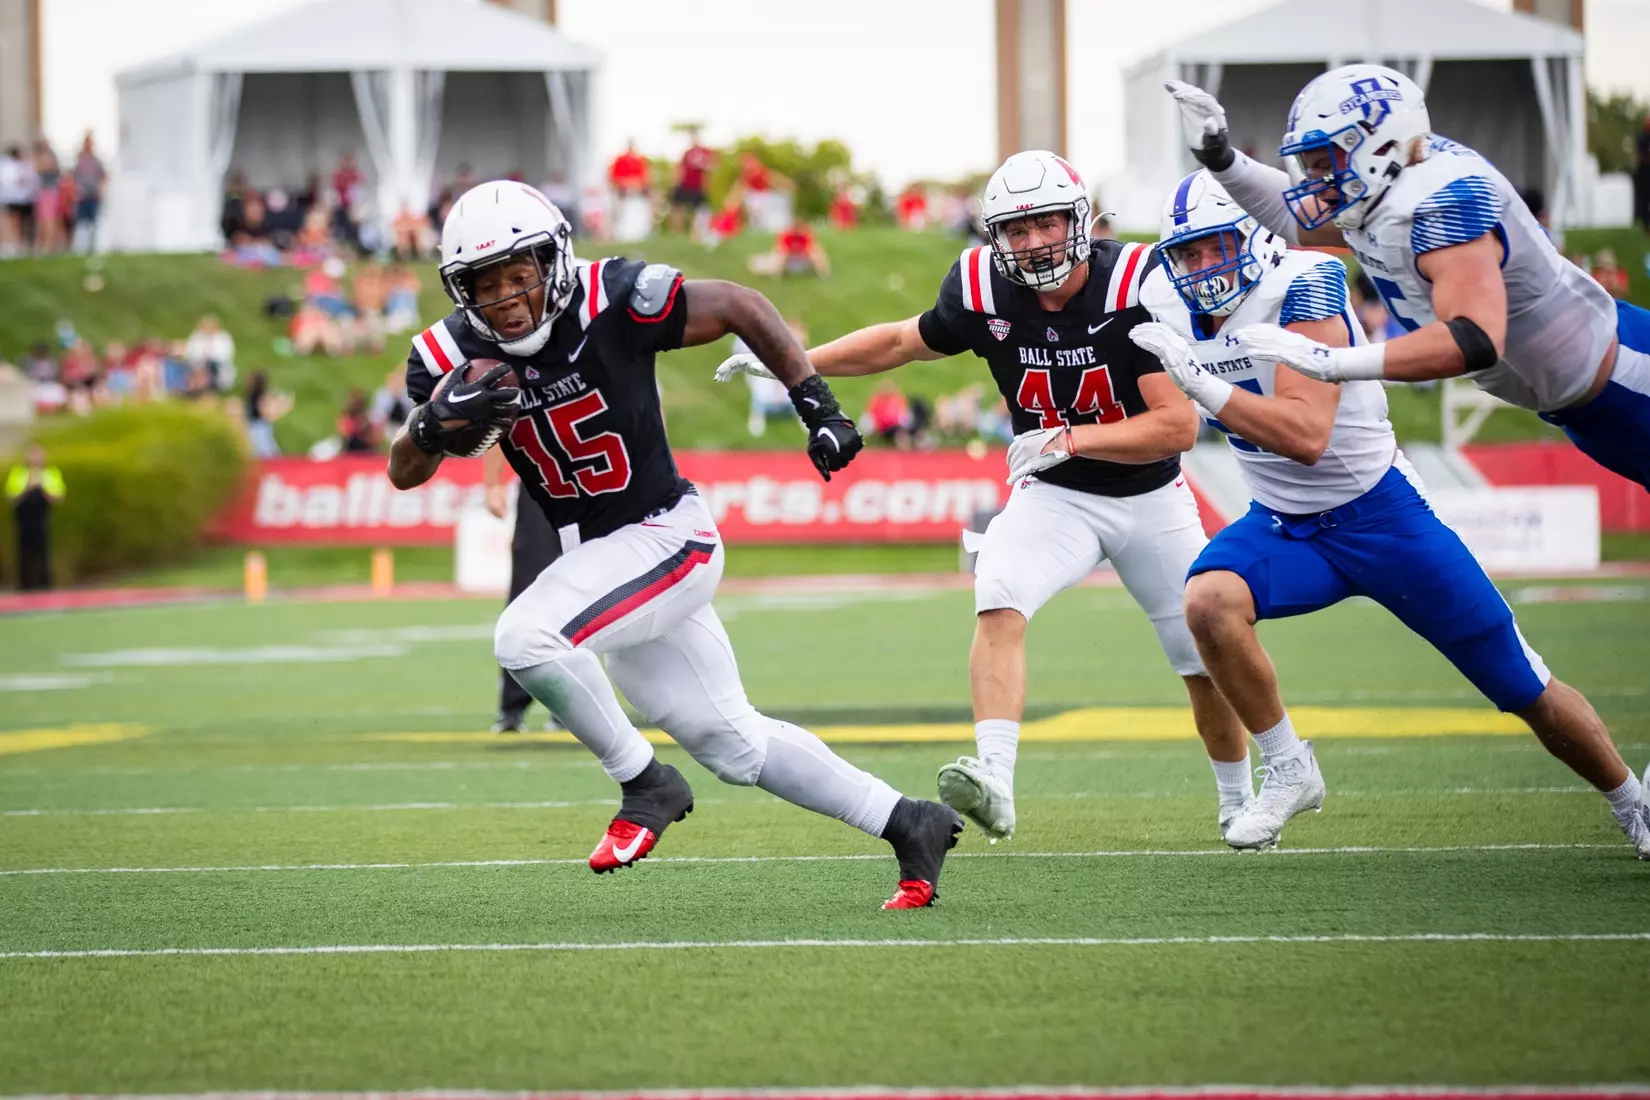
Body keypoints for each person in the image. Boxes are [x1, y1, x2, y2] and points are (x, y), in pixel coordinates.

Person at [387, 180, 962, 908]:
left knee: (524, 636)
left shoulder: (610, 296)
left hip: (664, 534)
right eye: (485, 283)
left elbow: (741, 304)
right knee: (733, 744)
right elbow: (404, 471)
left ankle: (644, 782)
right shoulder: (448, 353)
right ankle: (908, 822)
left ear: (552, 260)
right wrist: (430, 426)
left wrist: (816, 403)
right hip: (600, 562)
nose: (506, 296)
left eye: (519, 272)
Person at [1115, 169, 1650, 856]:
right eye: (1185, 254)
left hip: (1383, 516)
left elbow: (1307, 436)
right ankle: (1289, 767)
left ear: (1253, 236)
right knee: (1207, 603)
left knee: (1522, 684)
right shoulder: (1159, 295)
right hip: (1284, 522)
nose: (1198, 268)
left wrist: (1202, 387)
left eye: (1212, 247)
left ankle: (1630, 800)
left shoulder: (1304, 281)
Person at [717, 151, 1247, 841]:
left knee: (1200, 657)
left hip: (1150, 494)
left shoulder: (1134, 284)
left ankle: (1239, 799)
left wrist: (1070, 439)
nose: (1033, 243)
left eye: (1046, 224)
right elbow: (901, 342)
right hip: (1055, 494)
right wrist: (795, 365)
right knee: (998, 594)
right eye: (1016, 230)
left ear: (1079, 220)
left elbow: (1178, 427)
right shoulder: (983, 288)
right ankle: (995, 780)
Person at [1169, 67, 1650, 492]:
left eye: (1324, 162)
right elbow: (1294, 217)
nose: (1314, 179)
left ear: (1378, 145)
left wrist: (1335, 363)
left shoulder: (1441, 197)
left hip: (1623, 377)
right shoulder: (1385, 189)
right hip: (1585, 402)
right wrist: (1222, 159)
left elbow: (1474, 339)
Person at [482, 443, 563, 733]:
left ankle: (572, 705)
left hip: (599, 485)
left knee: (591, 597)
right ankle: (512, 706)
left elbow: (650, 420)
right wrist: (492, 484)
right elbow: (498, 424)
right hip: (541, 483)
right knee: (527, 592)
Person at [7, 445, 65, 590]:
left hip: (42, 518)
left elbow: (58, 497)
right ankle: (25, 585)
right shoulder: (18, 473)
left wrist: (41, 486)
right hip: (24, 519)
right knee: (24, 553)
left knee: (43, 552)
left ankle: (45, 584)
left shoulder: (51, 473)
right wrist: (28, 486)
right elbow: (12, 497)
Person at [667, 130, 714, 237]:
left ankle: (695, 232)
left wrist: (706, 184)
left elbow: (711, 167)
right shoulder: (687, 153)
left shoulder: (705, 152)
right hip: (685, 184)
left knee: (698, 210)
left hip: (697, 186)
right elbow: (680, 168)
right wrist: (676, 181)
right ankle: (676, 231)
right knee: (676, 207)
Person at [71, 133, 104, 254]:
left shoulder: (97, 160)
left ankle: (92, 247)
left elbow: (103, 176)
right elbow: (73, 176)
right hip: (82, 196)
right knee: (81, 223)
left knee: (93, 223)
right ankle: (80, 248)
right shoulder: (79, 160)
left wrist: (100, 188)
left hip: (93, 195)